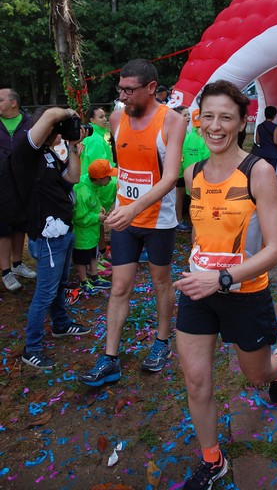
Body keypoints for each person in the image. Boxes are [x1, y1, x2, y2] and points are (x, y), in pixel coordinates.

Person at [173, 80, 277, 490]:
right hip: (198, 291)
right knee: (196, 379)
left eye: (226, 117)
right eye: (208, 116)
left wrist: (222, 277)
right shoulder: (192, 172)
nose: (216, 126)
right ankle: (213, 460)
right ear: (198, 121)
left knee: (255, 375)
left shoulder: (258, 171)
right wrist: (203, 274)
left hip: (245, 292)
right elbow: (201, 232)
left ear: (242, 121)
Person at [78, 58, 186, 386]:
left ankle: (162, 342)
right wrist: (115, 203)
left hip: (158, 220)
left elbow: (170, 179)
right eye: (120, 89)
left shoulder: (172, 122)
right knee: (120, 286)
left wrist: (133, 208)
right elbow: (123, 167)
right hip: (124, 218)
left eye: (130, 90)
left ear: (152, 88)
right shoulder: (115, 119)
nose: (123, 96)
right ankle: (110, 358)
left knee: (160, 283)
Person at [9, 106, 91, 369]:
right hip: (46, 236)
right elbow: (48, 116)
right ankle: (31, 348)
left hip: (63, 231)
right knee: (44, 293)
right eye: (59, 128)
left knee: (59, 285)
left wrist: (73, 146)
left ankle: (61, 324)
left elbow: (73, 178)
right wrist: (67, 112)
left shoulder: (48, 154)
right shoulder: (26, 151)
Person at [0, 88, 36, 292]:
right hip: (1, 184)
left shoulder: (29, 123)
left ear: (13, 103)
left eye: (0, 100)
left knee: (19, 225)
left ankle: (17, 264)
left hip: (24, 184)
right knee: (3, 229)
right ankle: (6, 272)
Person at [72, 159, 117, 296]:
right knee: (82, 258)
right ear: (100, 178)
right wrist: (97, 217)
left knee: (93, 254)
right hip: (82, 235)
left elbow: (92, 205)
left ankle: (94, 276)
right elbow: (79, 217)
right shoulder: (82, 191)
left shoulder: (94, 186)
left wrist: (99, 209)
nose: (111, 179)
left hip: (92, 233)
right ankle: (84, 281)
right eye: (109, 176)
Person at [80, 105, 116, 266]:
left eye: (105, 116)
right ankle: (97, 256)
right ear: (92, 120)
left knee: (97, 221)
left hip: (94, 184)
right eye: (101, 117)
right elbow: (98, 168)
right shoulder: (94, 138)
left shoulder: (97, 136)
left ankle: (100, 252)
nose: (105, 119)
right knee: (95, 220)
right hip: (96, 186)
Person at [174, 105, 192, 232]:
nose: (188, 117)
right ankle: (177, 220)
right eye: (184, 115)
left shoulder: (188, 132)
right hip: (178, 170)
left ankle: (179, 219)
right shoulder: (176, 132)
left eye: (188, 114)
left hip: (185, 169)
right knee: (179, 195)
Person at [252, 105, 277, 172]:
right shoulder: (275, 127)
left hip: (262, 153)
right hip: (273, 153)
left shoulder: (259, 126)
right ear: (274, 116)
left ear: (265, 114)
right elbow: (275, 141)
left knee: (262, 172)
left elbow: (257, 141)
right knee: (272, 172)